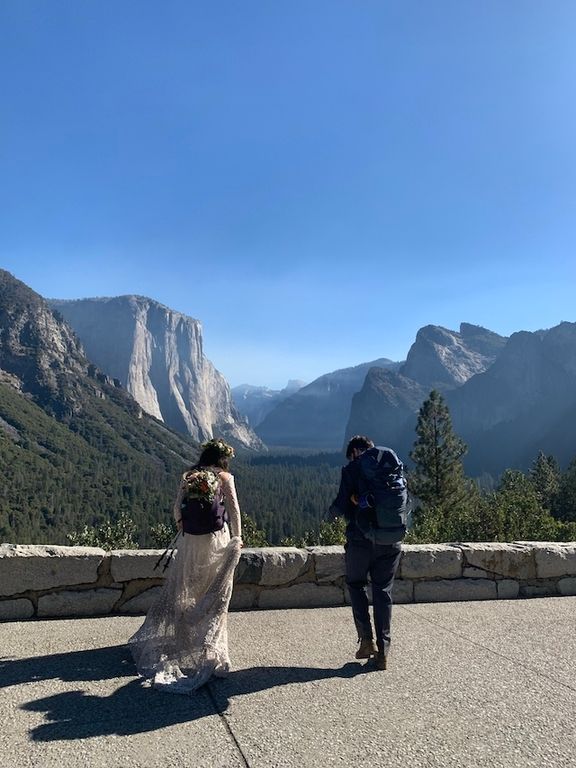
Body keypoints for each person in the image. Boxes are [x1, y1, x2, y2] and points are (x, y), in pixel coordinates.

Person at [129, 438, 243, 694]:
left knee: (187, 588)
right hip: (216, 540)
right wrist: (237, 538)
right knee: (216, 592)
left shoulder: (190, 476)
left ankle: (185, 639)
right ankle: (211, 648)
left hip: (190, 541)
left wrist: (183, 527)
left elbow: (176, 508)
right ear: (222, 458)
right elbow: (234, 509)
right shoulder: (225, 477)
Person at [328, 435, 402, 671]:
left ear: (354, 453)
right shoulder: (392, 468)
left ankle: (367, 641)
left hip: (360, 541)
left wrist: (329, 515)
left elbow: (341, 504)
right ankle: (384, 651)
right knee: (383, 591)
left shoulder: (352, 469)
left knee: (356, 584)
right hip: (390, 541)